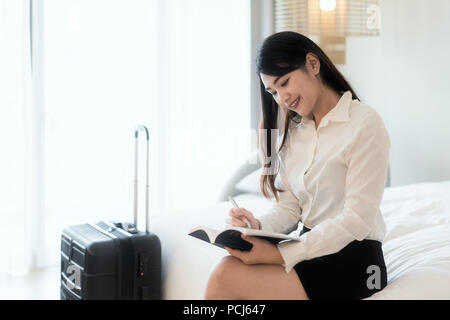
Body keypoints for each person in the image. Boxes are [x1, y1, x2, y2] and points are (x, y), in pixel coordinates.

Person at [204, 31, 390, 300]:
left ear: (313, 64)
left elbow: (357, 220)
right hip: (310, 247)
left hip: (356, 257)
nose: (282, 98)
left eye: (285, 82)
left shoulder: (364, 124)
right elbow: (291, 208)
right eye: (273, 91)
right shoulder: (295, 132)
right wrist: (256, 227)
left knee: (225, 277)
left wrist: (282, 253)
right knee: (226, 268)